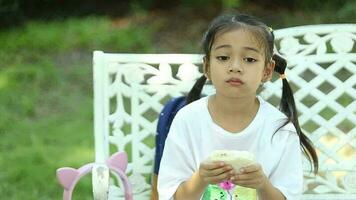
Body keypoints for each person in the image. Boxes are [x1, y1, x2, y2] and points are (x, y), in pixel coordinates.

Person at [157, 13, 318, 200]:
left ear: (267, 71)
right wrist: (200, 178)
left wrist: (262, 184)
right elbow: (172, 196)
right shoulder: (187, 120)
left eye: (249, 59)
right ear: (207, 66)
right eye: (223, 57)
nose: (235, 67)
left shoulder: (279, 129)